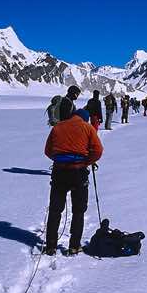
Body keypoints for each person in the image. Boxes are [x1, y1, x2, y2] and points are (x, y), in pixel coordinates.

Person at [43, 109, 103, 255]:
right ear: (85, 119)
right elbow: (98, 151)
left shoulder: (57, 127)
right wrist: (86, 162)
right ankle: (74, 246)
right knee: (78, 210)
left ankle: (51, 246)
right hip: (78, 172)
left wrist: (59, 159)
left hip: (59, 172)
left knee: (55, 209)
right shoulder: (87, 128)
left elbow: (48, 151)